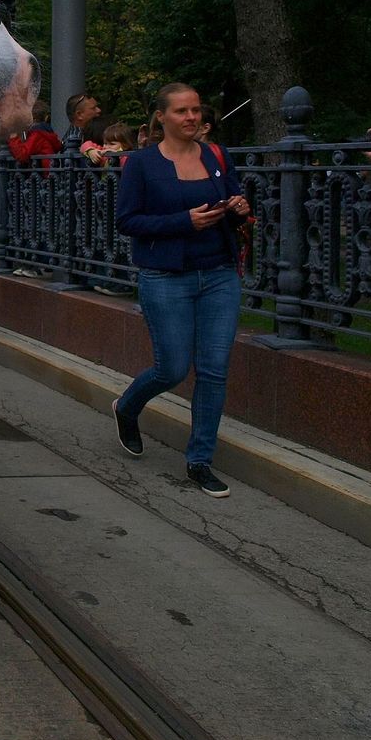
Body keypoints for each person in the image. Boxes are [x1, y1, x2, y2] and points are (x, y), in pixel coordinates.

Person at [113, 82, 250, 499]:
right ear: (162, 118)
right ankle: (127, 407)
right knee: (172, 369)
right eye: (181, 112)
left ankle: (199, 460)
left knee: (213, 369)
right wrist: (182, 222)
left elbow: (234, 200)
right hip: (166, 276)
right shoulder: (141, 164)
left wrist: (239, 208)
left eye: (196, 110)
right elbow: (127, 221)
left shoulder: (216, 156)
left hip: (219, 275)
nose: (192, 118)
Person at [5, 100, 64, 172]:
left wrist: (13, 138)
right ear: (46, 118)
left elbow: (23, 155)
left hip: (41, 177)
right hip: (49, 174)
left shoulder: (37, 135)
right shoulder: (46, 134)